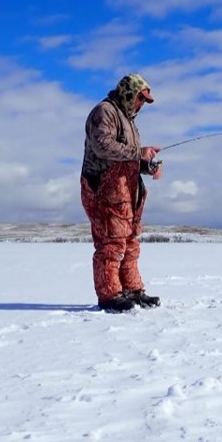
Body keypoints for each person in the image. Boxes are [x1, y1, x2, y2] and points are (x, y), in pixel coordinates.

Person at [81, 73, 163, 313]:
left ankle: (132, 290)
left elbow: (128, 156)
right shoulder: (105, 111)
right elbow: (102, 145)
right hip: (104, 190)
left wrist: (147, 165)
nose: (141, 105)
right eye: (139, 99)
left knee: (129, 242)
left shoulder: (129, 121)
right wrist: (140, 152)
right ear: (128, 93)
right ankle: (109, 295)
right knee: (112, 242)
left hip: (127, 191)